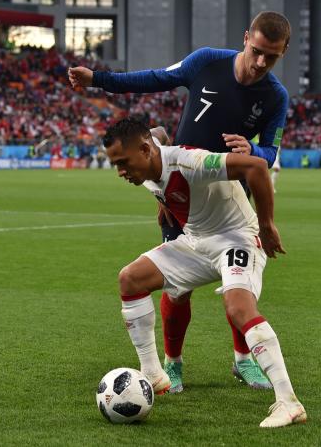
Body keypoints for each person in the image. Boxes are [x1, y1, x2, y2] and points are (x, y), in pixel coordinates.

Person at [69, 11, 291, 393]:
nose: (260, 63)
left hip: (228, 189)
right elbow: (157, 78)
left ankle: (243, 361)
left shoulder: (275, 97)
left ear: (282, 53)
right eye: (256, 51)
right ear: (245, 38)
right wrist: (99, 80)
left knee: (238, 284)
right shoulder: (206, 61)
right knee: (176, 286)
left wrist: (254, 148)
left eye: (271, 57)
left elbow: (270, 153)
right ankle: (172, 364)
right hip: (177, 187)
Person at [103, 118, 306, 428]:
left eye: (122, 162)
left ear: (145, 150)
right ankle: (155, 375)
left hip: (237, 237)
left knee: (238, 308)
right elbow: (157, 132)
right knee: (130, 278)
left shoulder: (191, 162)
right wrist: (166, 203)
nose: (119, 172)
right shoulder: (149, 155)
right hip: (196, 243)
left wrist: (267, 227)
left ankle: (288, 403)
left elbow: (256, 167)